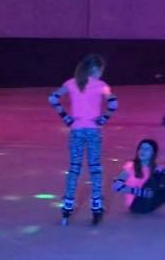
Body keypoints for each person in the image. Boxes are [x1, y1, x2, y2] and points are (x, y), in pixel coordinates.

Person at [48, 55, 118, 226]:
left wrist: (66, 118)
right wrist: (103, 119)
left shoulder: (71, 83)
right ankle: (96, 206)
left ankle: (67, 207)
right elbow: (113, 103)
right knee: (95, 169)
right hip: (93, 132)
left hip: (76, 131)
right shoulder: (102, 86)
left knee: (74, 169)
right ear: (96, 70)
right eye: (101, 70)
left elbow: (53, 98)